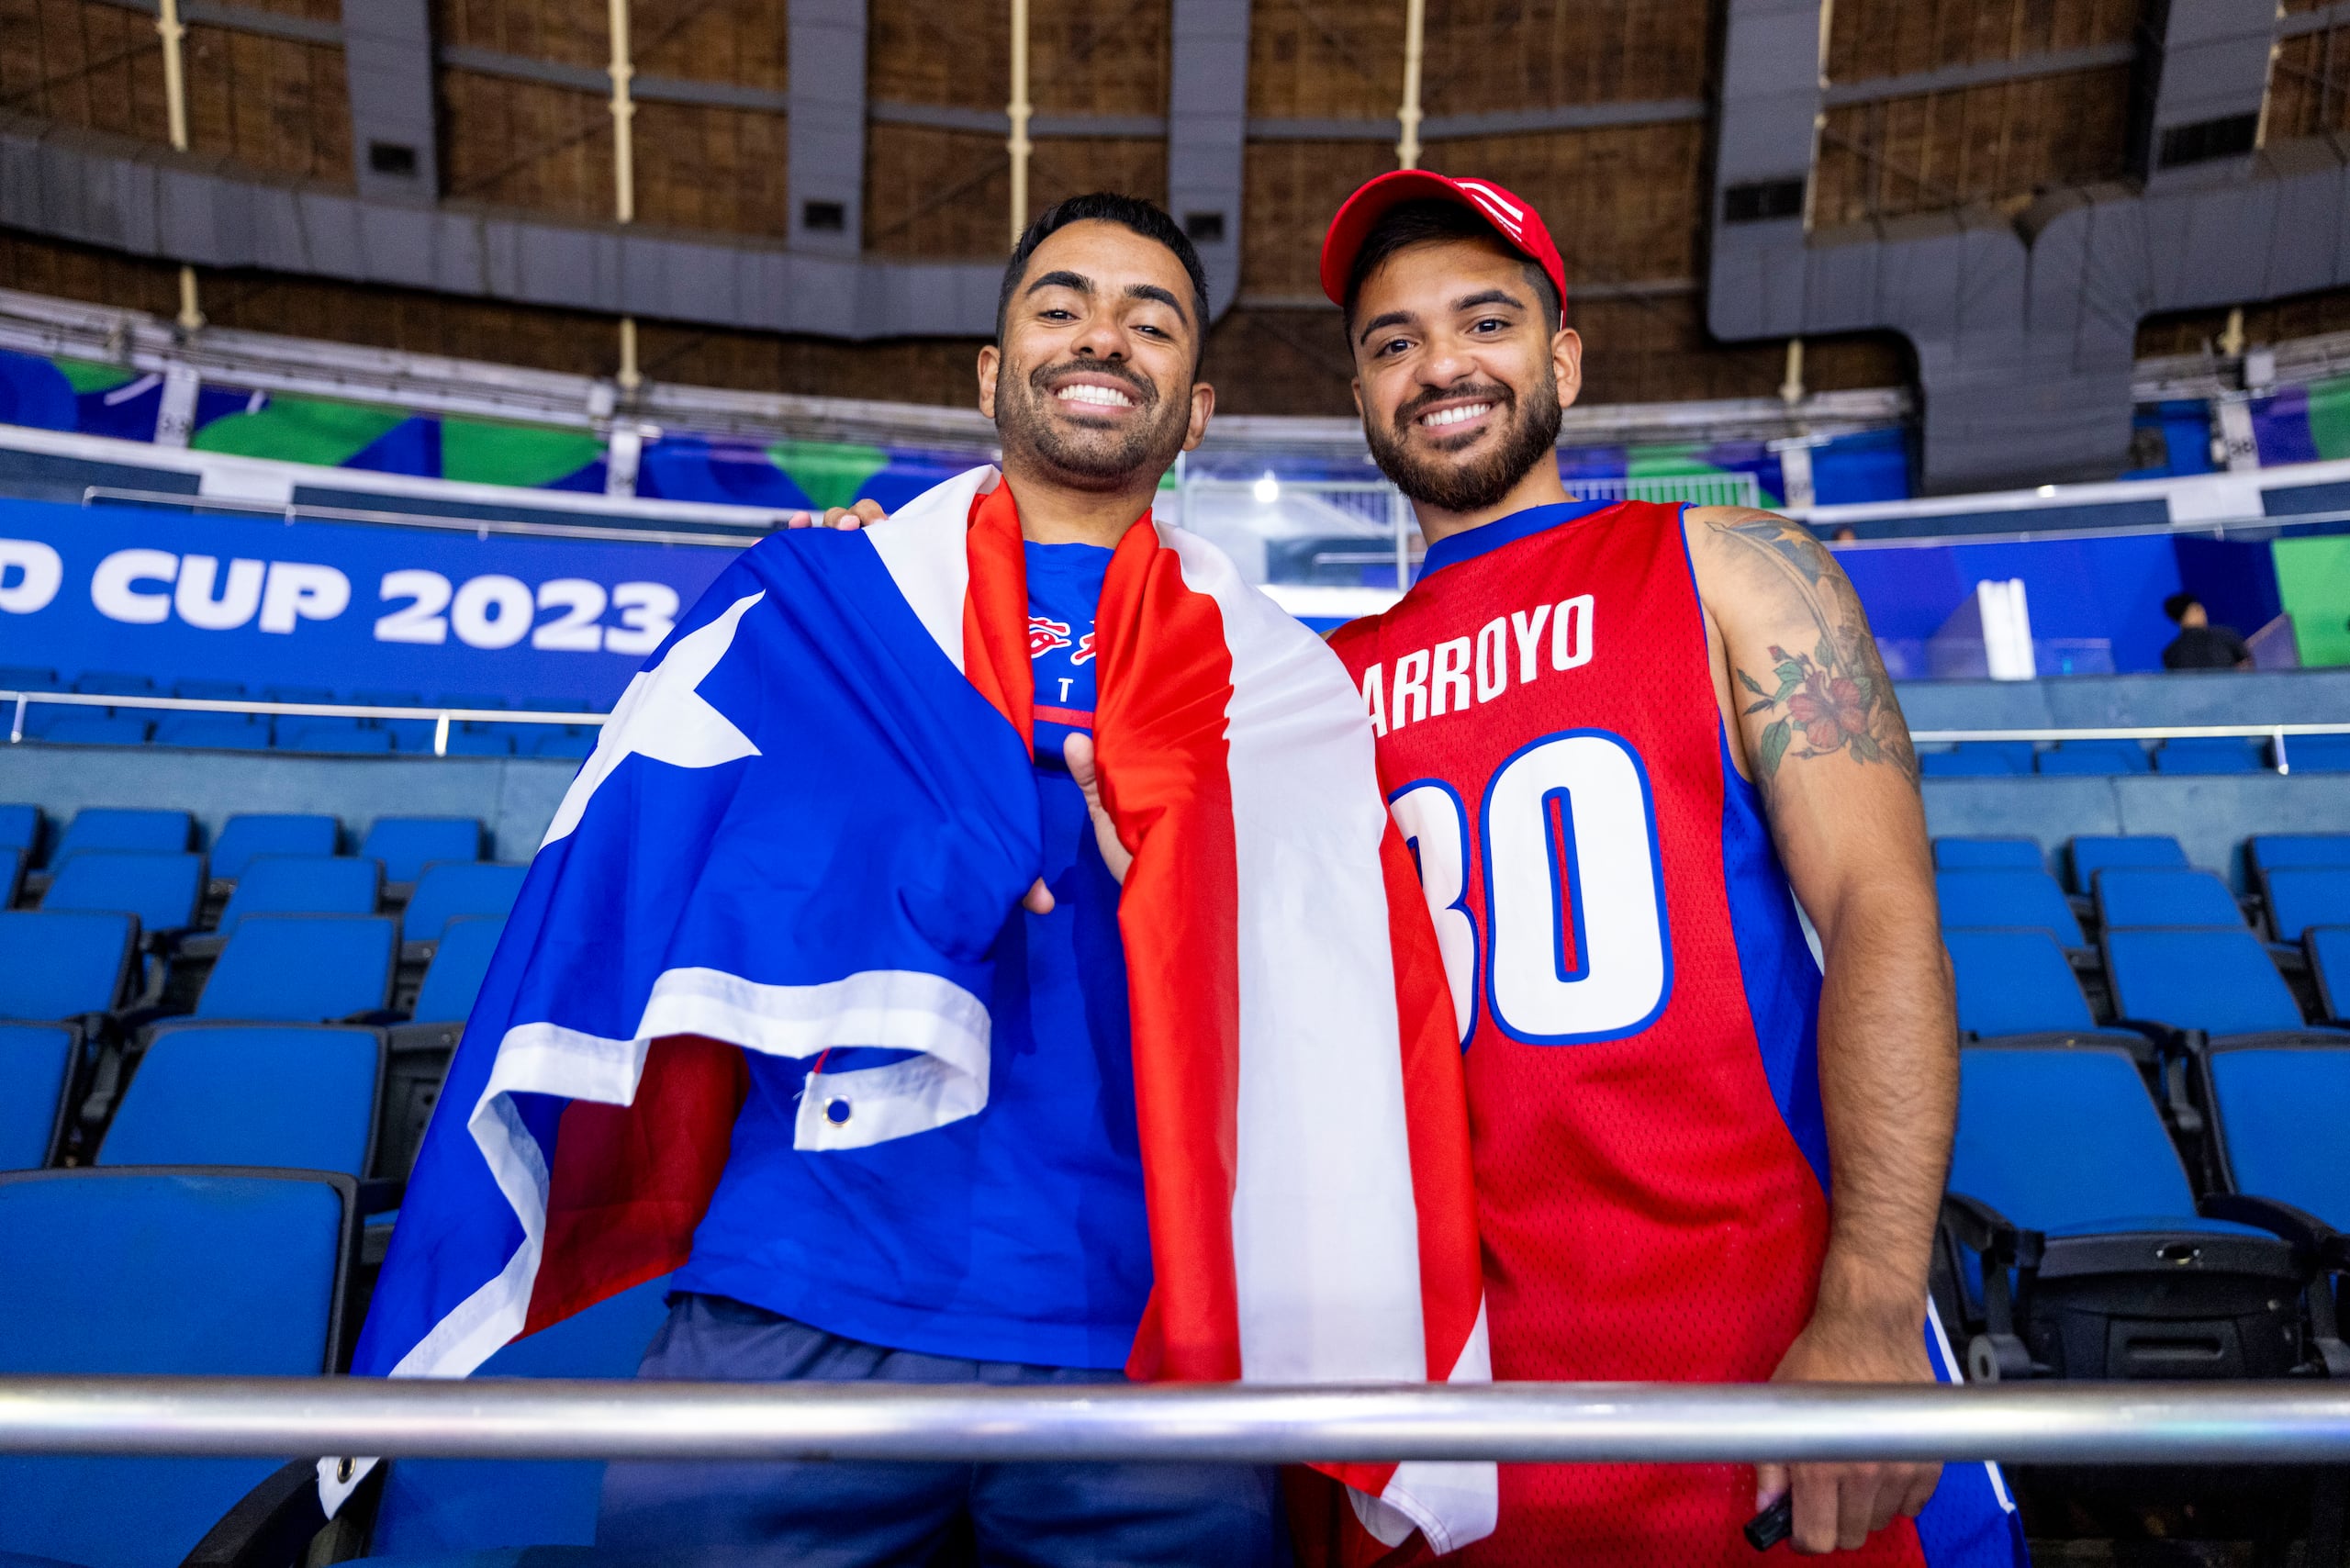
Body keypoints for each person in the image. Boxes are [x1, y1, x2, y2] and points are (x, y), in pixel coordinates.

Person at [1312, 171, 2027, 1564]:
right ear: (1360, 395)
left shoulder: (1732, 565)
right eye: (1392, 342)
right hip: (1449, 1413)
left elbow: (1882, 915)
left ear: (1563, 356)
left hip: (1750, 1380)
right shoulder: (1322, 684)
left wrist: (1876, 1303)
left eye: (1485, 320)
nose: (1440, 363)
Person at [594, 192, 1288, 1564]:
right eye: (1061, 305)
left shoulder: (1278, 677)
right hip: (799, 1297)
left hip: (1143, 1329)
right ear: (989, 371)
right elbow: (654, 881)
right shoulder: (828, 606)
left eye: (1153, 323)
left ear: (1195, 408)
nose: (1105, 337)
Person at [2161, 592, 2252, 670]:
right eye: (2198, 609)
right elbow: (2246, 666)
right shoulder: (2226, 635)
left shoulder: (2170, 654)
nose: (2204, 612)